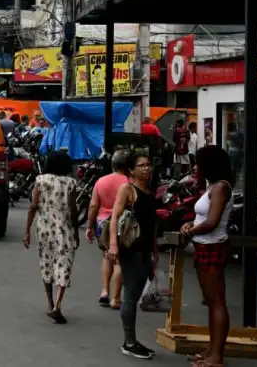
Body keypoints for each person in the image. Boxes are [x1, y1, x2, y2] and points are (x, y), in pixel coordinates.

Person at [181, 146, 234, 367]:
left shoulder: (221, 188)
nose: (195, 167)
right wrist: (190, 224)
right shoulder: (212, 186)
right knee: (211, 303)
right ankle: (212, 350)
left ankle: (217, 357)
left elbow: (212, 222)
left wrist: (190, 231)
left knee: (217, 302)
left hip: (213, 246)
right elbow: (202, 218)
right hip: (204, 245)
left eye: (198, 163)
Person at [108, 151, 159, 360]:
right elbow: (115, 217)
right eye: (141, 165)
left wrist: (155, 250)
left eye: (148, 165)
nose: (146, 168)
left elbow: (152, 224)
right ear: (131, 170)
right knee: (130, 294)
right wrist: (113, 245)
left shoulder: (150, 191)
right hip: (131, 249)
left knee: (135, 293)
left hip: (146, 249)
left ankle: (132, 340)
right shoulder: (127, 189)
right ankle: (129, 342)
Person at [23, 151, 79, 323]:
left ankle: (50, 304)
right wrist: (76, 231)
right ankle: (58, 305)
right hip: (64, 229)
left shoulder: (40, 180)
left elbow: (33, 207)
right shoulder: (70, 183)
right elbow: (73, 209)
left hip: (44, 228)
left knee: (46, 263)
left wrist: (27, 231)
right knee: (63, 264)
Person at [86, 149, 131, 309]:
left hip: (102, 222)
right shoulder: (130, 183)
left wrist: (90, 226)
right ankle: (116, 298)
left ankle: (104, 291)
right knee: (120, 260)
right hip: (123, 223)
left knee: (106, 256)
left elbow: (93, 206)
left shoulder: (101, 181)